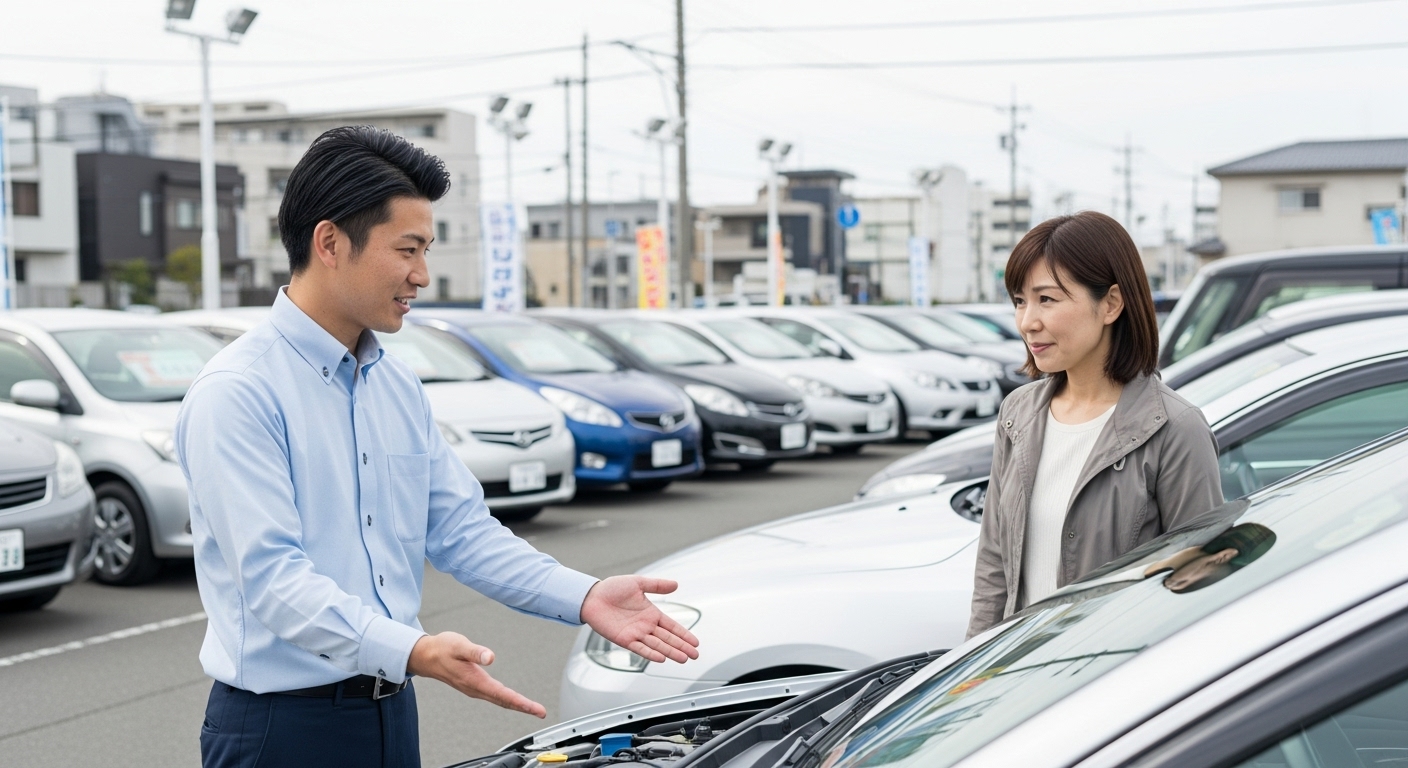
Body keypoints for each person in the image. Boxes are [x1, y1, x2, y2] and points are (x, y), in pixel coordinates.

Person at [176, 126, 699, 768]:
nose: (422, 275)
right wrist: (412, 650)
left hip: (392, 712)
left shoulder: (392, 381)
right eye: (409, 249)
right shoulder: (238, 391)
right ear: (330, 241)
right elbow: (273, 581)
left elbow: (459, 530)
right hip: (282, 730)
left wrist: (584, 596)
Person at [967, 211, 1224, 638]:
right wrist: (970, 674)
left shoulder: (1175, 428)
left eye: (1047, 299)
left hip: (1111, 685)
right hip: (1014, 686)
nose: (1028, 321)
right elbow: (994, 565)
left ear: (1111, 303)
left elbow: (1198, 586)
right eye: (1019, 300)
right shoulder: (1017, 413)